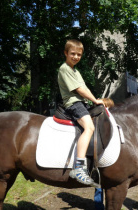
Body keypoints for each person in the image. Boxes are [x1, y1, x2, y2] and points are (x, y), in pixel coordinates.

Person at [58, 39, 104, 187]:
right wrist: (95, 101)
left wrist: (94, 99)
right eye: (73, 54)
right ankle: (78, 168)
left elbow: (86, 88)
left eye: (79, 54)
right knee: (89, 128)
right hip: (73, 103)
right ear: (65, 53)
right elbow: (79, 90)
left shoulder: (75, 71)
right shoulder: (64, 68)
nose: (76, 57)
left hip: (81, 102)